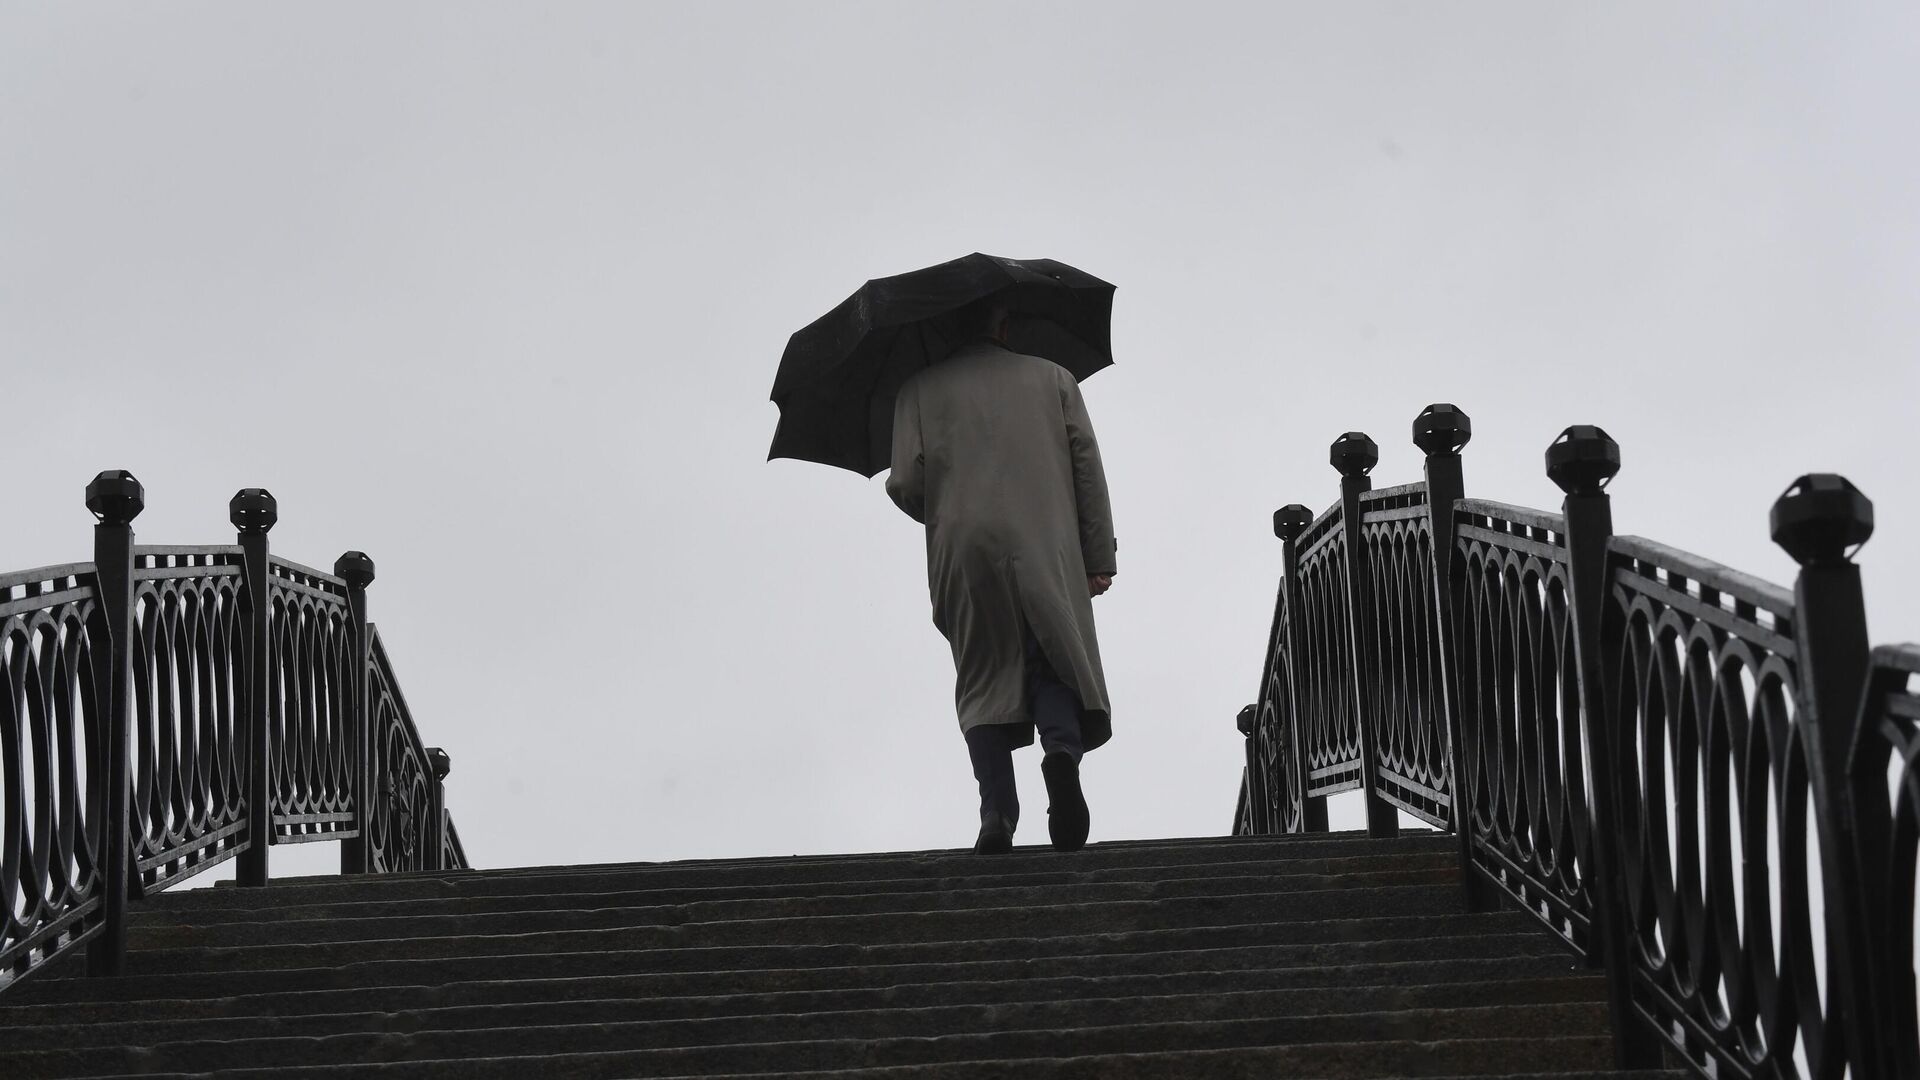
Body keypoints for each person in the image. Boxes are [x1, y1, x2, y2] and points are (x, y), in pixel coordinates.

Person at [885, 299, 1117, 854]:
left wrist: (951, 497)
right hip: (1045, 540)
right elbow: (1086, 464)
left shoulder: (916, 390)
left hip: (965, 548)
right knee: (1051, 658)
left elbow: (904, 484)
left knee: (984, 672)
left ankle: (996, 814)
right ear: (1005, 324)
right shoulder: (1054, 378)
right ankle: (1060, 755)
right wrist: (1098, 555)